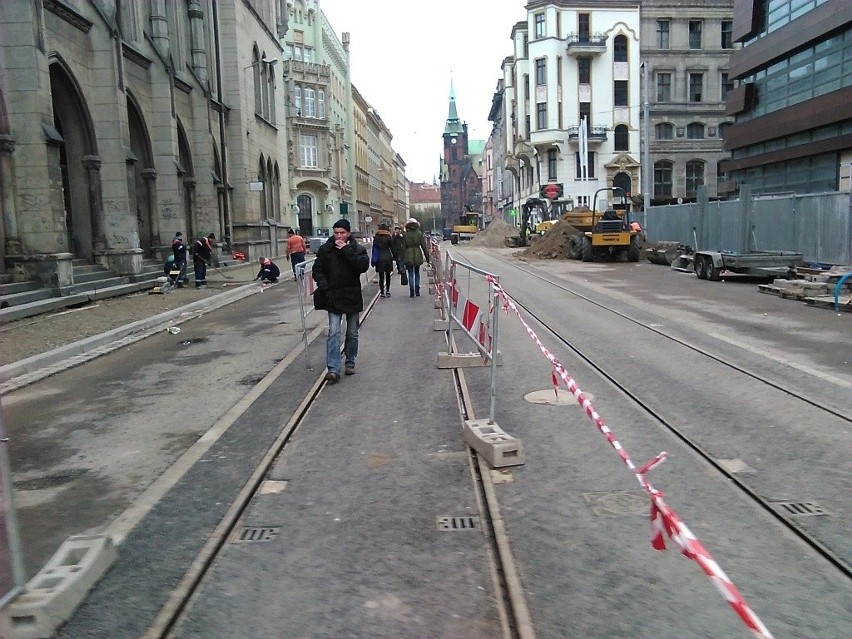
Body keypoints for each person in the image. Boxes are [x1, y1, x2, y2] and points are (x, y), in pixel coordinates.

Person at [312, 219, 369, 384]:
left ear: (348, 234)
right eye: (336, 232)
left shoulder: (357, 249)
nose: (338, 236)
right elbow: (317, 269)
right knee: (334, 332)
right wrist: (325, 287)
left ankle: (350, 361)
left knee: (352, 332)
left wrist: (346, 251)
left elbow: (362, 267)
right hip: (333, 296)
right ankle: (333, 369)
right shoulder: (326, 250)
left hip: (351, 296)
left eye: (342, 233)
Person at [402, 217, 430, 298]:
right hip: (418, 254)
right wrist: (427, 257)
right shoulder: (419, 234)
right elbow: (424, 247)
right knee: (417, 273)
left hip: (408, 254)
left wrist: (402, 258)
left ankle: (411, 292)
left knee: (410, 274)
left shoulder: (405, 235)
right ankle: (417, 291)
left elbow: (403, 247)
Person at [371, 222, 398, 298]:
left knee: (381, 276)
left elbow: (374, 250)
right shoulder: (389, 237)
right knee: (388, 276)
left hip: (379, 258)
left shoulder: (376, 238)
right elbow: (393, 249)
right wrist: (395, 257)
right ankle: (388, 291)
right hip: (387, 257)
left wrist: (373, 260)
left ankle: (382, 292)